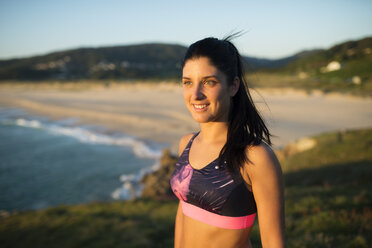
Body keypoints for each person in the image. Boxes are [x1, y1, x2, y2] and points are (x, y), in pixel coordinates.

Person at [170, 35, 285, 248]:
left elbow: (273, 242)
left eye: (208, 82)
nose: (195, 94)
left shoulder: (254, 157)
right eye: (188, 82)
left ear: (233, 86)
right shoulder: (186, 143)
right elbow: (183, 210)